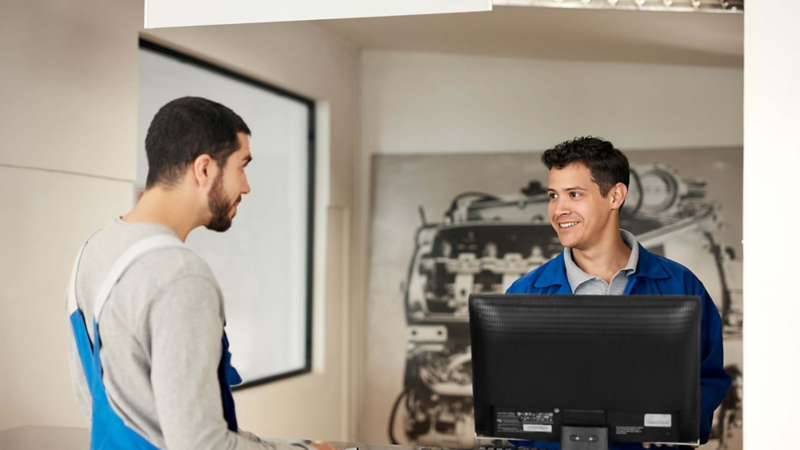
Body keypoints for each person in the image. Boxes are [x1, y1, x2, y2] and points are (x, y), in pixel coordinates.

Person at [65, 97, 331, 450]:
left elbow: (93, 401)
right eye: (242, 166)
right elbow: (202, 445)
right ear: (204, 169)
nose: (246, 186)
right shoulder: (181, 275)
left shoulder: (93, 251)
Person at [506, 137, 731, 450]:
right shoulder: (525, 294)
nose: (559, 209)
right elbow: (509, 400)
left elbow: (708, 379)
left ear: (615, 196)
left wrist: (676, 428)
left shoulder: (680, 285)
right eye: (553, 196)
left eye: (574, 194)